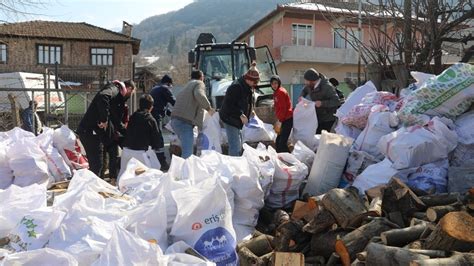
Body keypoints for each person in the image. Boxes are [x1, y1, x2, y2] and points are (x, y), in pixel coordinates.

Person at [77, 79, 135, 179]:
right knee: (97, 165)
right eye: (132, 92)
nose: (131, 95)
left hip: (95, 133)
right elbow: (103, 96)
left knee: (100, 165)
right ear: (129, 89)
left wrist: (128, 134)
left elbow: (116, 121)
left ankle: (96, 187)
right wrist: (104, 120)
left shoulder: (117, 99)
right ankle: (92, 190)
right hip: (90, 132)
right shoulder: (115, 89)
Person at [170, 70, 215, 159]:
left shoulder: (187, 86)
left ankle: (184, 169)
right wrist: (209, 108)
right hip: (184, 121)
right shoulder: (199, 83)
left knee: (186, 149)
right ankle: (185, 171)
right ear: (201, 77)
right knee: (187, 152)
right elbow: (199, 94)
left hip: (175, 120)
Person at [219, 62, 259, 156]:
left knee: (239, 145)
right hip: (230, 118)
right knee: (235, 146)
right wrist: (240, 114)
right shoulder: (236, 87)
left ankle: (236, 164)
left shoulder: (246, 86)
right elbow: (229, 105)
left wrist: (250, 110)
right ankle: (234, 167)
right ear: (249, 79)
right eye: (254, 82)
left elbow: (246, 101)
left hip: (236, 119)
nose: (255, 84)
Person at [120, 94, 162, 176]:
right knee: (149, 175)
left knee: (124, 174)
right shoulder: (150, 119)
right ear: (151, 107)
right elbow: (156, 139)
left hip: (126, 151)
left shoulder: (133, 116)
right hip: (141, 153)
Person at [300, 68, 340, 134]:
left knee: (323, 137)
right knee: (316, 136)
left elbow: (336, 101)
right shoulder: (310, 85)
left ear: (312, 81)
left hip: (328, 118)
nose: (305, 83)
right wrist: (301, 96)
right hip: (317, 116)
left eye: (306, 81)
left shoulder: (327, 87)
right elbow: (304, 90)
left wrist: (322, 103)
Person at [149, 74, 175, 170]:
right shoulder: (165, 88)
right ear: (168, 83)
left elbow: (162, 105)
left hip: (150, 115)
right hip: (156, 116)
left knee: (153, 137)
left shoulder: (156, 88)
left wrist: (170, 113)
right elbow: (174, 102)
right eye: (171, 85)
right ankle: (162, 163)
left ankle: (153, 161)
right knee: (159, 138)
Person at [270, 75, 293, 153]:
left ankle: (291, 160)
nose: (274, 85)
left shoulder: (280, 92)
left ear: (279, 83)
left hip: (286, 119)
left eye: (276, 83)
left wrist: (280, 121)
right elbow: (279, 105)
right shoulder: (276, 93)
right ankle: (281, 159)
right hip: (283, 119)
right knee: (278, 142)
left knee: (282, 143)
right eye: (272, 84)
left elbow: (283, 108)